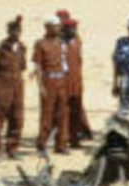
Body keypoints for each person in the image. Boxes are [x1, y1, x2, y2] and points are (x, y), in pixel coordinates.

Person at [0, 15, 27, 161]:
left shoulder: (22, 47)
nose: (15, 34)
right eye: (13, 31)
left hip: (17, 85)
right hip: (2, 84)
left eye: (18, 31)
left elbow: (22, 66)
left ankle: (13, 148)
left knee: (17, 117)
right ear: (8, 31)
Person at [32, 17, 70, 156]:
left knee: (62, 114)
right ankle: (42, 144)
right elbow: (37, 66)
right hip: (49, 81)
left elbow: (66, 64)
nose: (58, 28)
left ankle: (61, 144)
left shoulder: (61, 44)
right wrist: (41, 86)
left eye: (58, 26)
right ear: (47, 27)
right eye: (54, 26)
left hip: (61, 80)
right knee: (47, 115)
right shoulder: (41, 44)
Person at [59, 15, 92, 145]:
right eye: (71, 28)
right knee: (64, 111)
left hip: (76, 81)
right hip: (64, 81)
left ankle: (75, 138)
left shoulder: (77, 42)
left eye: (74, 28)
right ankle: (63, 138)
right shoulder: (60, 44)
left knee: (76, 110)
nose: (74, 31)